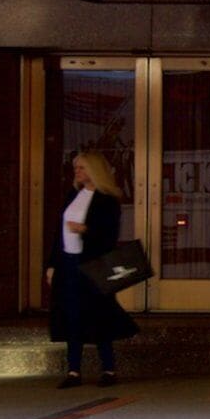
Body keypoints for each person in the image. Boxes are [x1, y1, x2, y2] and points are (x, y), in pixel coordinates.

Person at [48, 147, 138, 388]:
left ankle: (108, 369)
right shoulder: (72, 196)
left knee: (99, 314)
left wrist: (85, 230)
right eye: (75, 168)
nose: (76, 172)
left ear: (93, 170)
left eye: (81, 168)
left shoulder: (107, 200)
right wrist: (52, 264)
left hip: (92, 264)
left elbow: (109, 236)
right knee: (71, 315)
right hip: (69, 262)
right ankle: (73, 370)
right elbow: (59, 233)